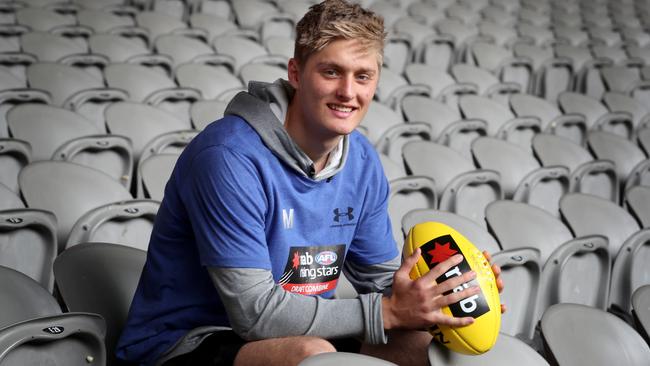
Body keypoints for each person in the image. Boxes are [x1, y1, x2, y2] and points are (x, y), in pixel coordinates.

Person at [116, 1, 504, 365]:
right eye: (331, 72)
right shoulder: (227, 158)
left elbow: (382, 283)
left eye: (363, 76)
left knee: (418, 344)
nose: (348, 93)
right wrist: (389, 312)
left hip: (301, 330)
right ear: (297, 73)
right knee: (314, 357)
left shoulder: (362, 161)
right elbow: (256, 316)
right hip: (185, 342)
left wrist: (452, 291)